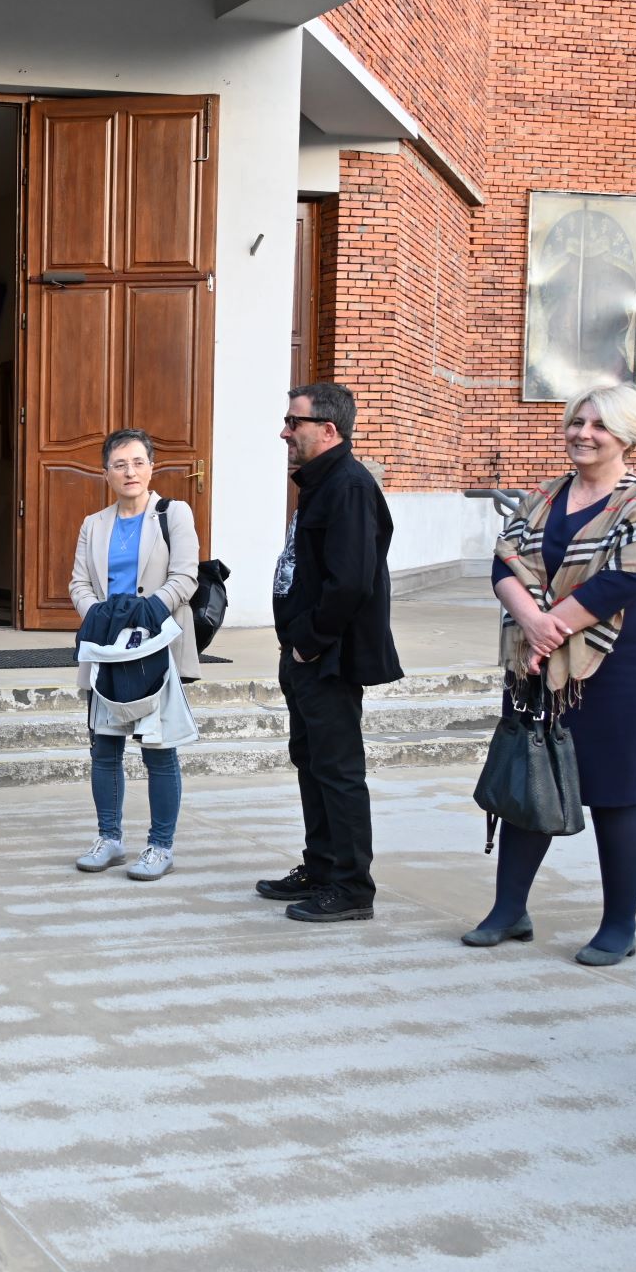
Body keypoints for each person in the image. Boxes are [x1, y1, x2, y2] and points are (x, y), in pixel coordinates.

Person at [464, 384, 636, 963]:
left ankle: (619, 926)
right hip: (533, 659)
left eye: (599, 425)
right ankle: (509, 911)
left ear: (627, 435)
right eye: (577, 421)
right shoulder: (543, 497)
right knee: (528, 776)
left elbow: (625, 580)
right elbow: (504, 563)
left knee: (615, 793)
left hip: (606, 665)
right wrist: (532, 624)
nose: (583, 433)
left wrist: (547, 630)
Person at [259, 381, 404, 922]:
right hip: (305, 653)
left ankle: (350, 887)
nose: (284, 432)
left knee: (338, 771)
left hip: (327, 657)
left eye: (293, 422)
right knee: (312, 762)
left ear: (327, 429)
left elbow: (351, 581)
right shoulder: (321, 482)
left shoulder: (348, 485)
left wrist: (309, 643)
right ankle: (321, 867)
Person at [69, 427, 199, 880]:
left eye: (138, 462)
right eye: (120, 464)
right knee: (104, 749)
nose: (130, 472)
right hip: (106, 648)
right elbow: (79, 583)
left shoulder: (173, 514)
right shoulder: (93, 524)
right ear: (105, 472)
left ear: (151, 467)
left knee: (158, 752)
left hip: (155, 646)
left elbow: (185, 577)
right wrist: (101, 617)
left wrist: (145, 614)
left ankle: (161, 846)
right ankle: (109, 839)